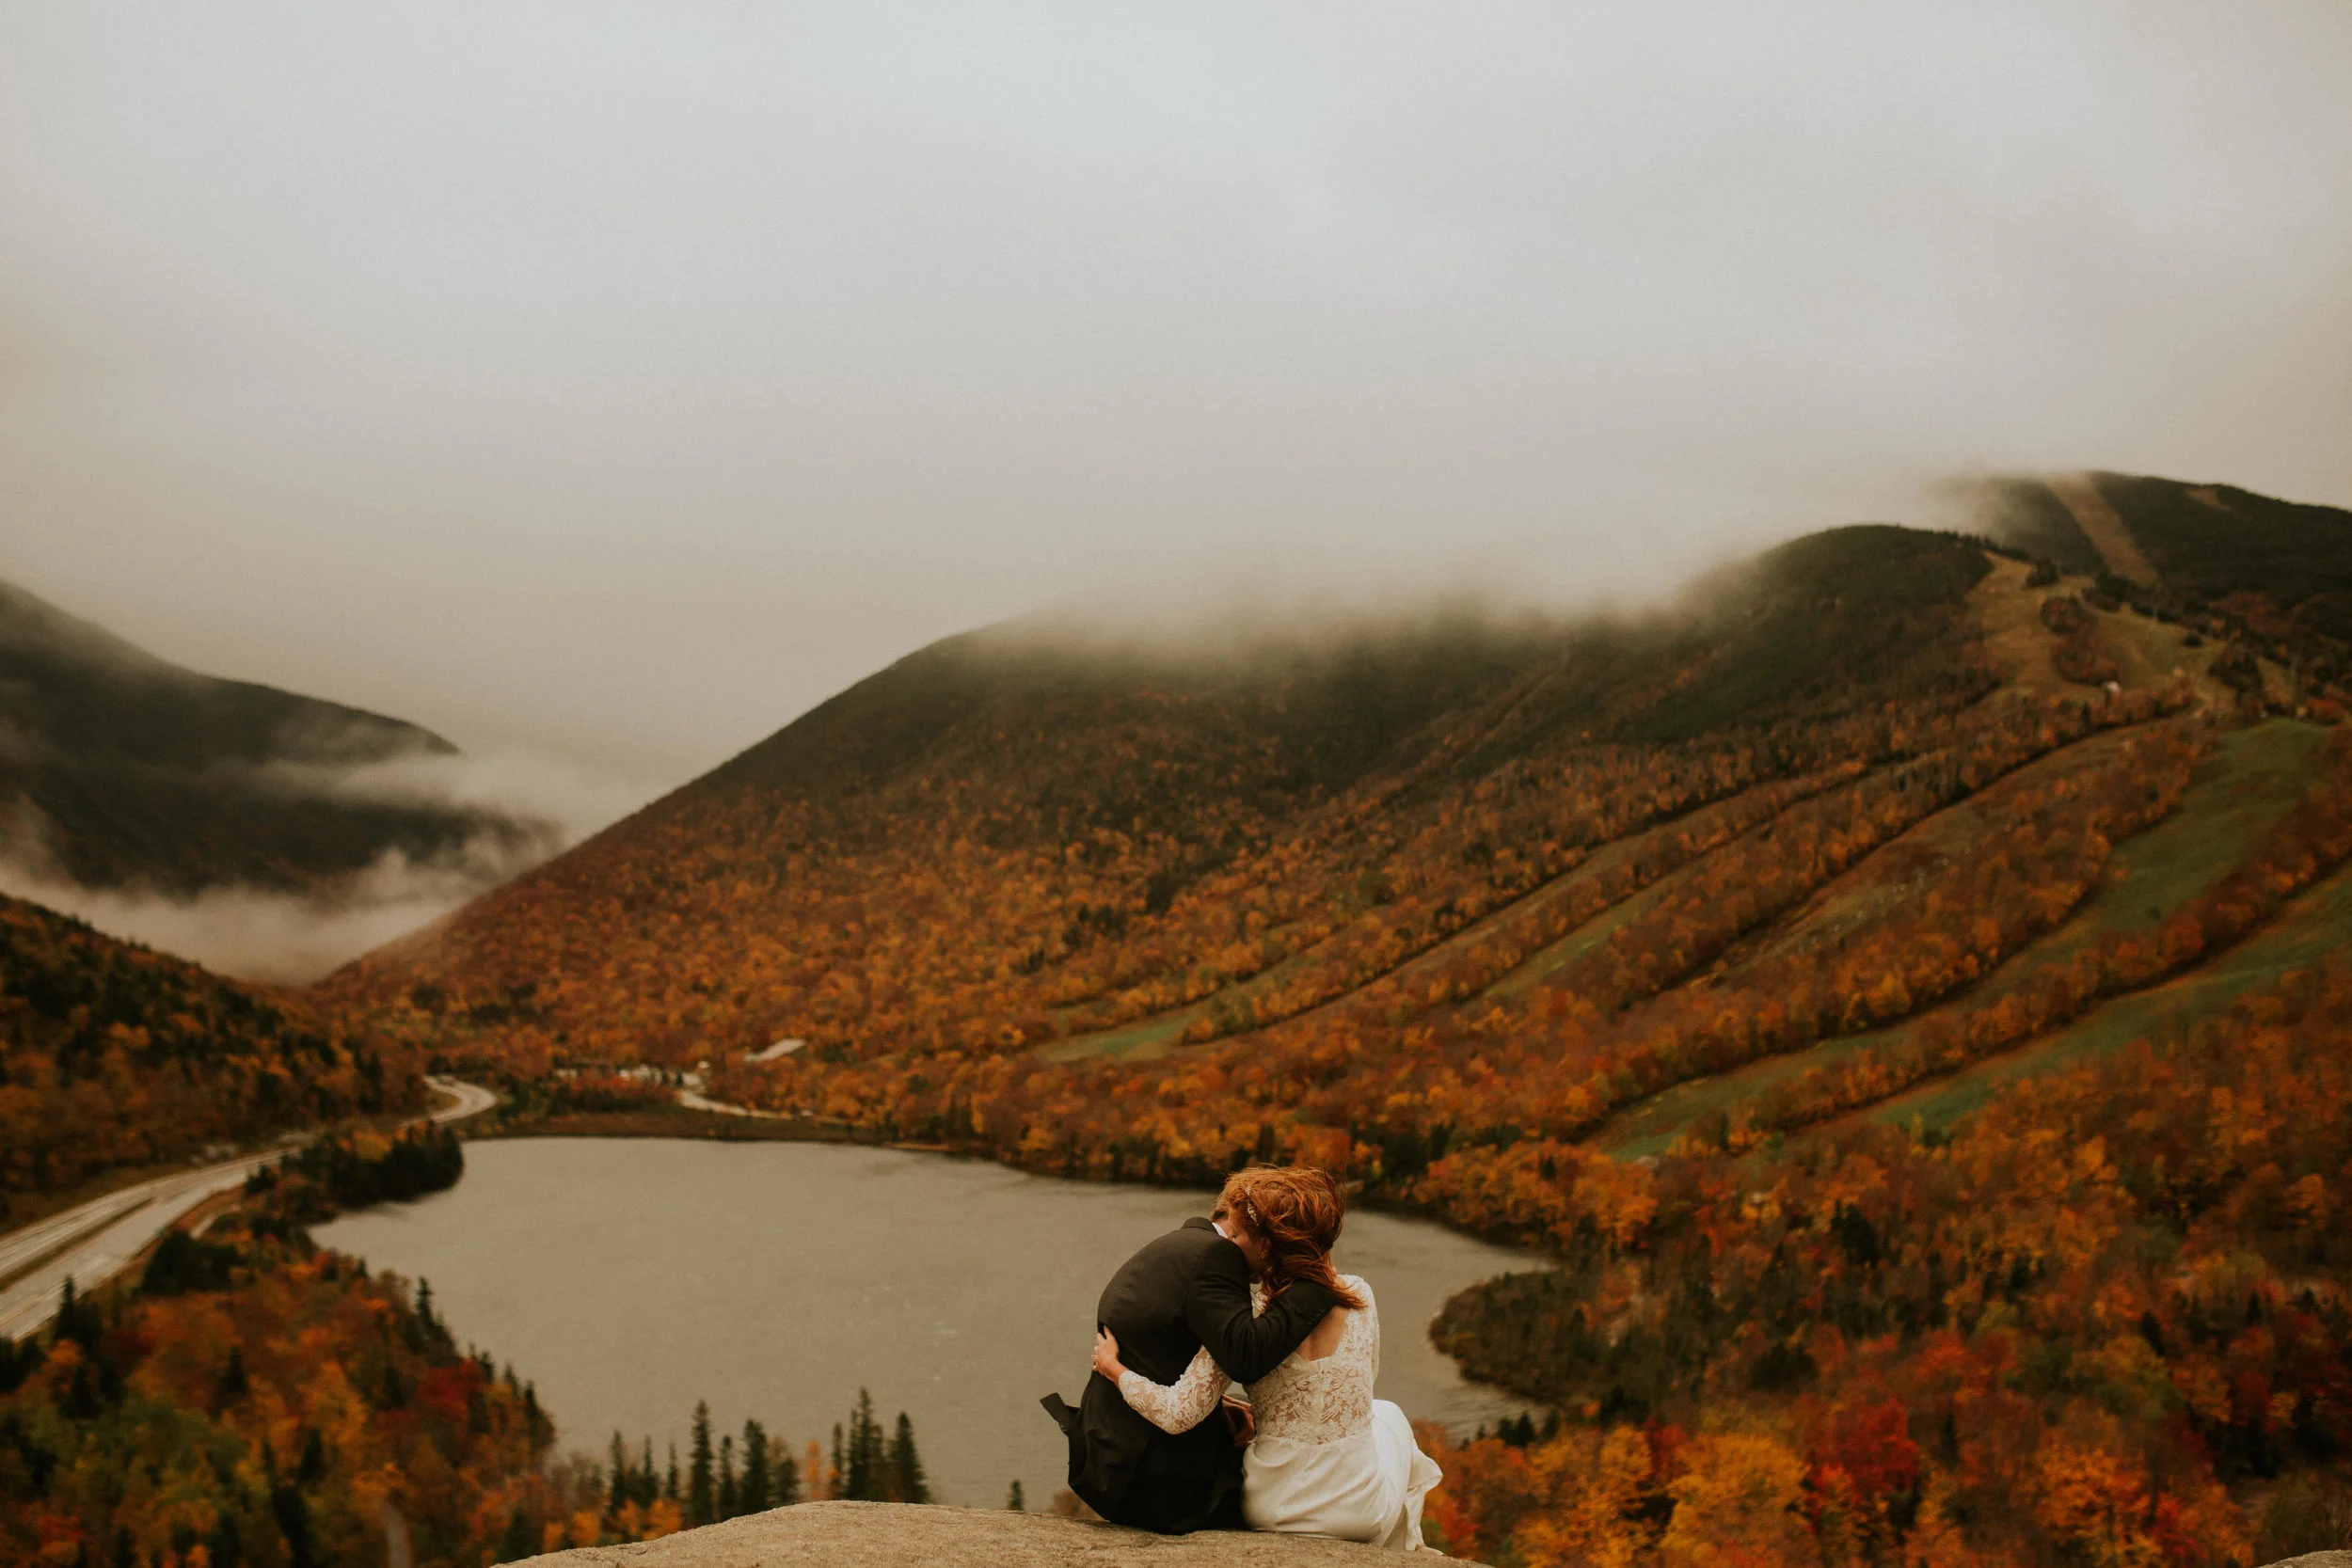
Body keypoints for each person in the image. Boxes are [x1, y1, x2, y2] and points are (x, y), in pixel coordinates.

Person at [1090, 1167, 1442, 1550]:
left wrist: (1116, 1370)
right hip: (1357, 1511)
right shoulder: (1358, 1294)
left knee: (1383, 1414)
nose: (1228, 1244)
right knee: (1388, 1414)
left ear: (1266, 1246)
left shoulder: (1245, 1319)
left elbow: (1179, 1414)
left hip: (1272, 1505)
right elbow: (1359, 1387)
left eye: (1238, 1235)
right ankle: (1410, 1552)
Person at [1041, 1177, 1338, 1532]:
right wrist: (1316, 1284)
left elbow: (1164, 1351)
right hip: (1158, 1483)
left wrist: (1219, 1403)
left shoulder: (1177, 1246)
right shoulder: (1217, 1256)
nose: (1271, 1261)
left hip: (1112, 1456)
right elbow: (1246, 1356)